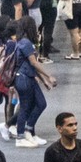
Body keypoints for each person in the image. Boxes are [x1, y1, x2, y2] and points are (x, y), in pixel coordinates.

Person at [11, 17, 58, 149]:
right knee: (25, 108)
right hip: (24, 79)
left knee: (41, 104)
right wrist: (49, 76)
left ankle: (27, 131)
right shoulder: (25, 43)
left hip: (29, 78)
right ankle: (21, 137)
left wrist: (44, 81)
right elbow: (33, 63)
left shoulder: (24, 42)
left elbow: (31, 66)